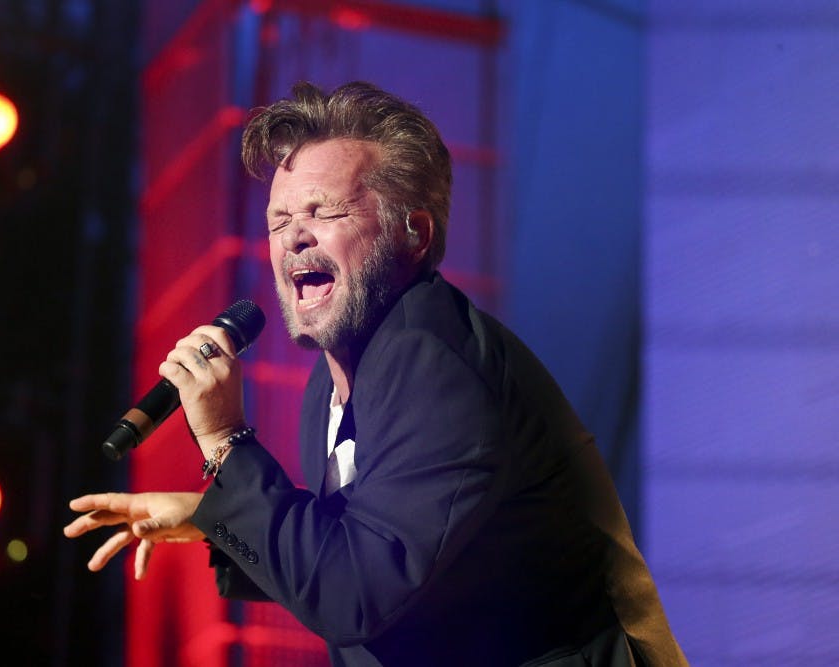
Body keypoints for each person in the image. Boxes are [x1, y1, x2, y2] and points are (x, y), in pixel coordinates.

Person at [64, 81, 687, 666]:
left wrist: (227, 444)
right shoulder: (332, 384)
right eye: (279, 221)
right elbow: (370, 551)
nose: (293, 239)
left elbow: (355, 594)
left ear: (413, 232)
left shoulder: (438, 367)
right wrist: (212, 519)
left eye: (323, 211)